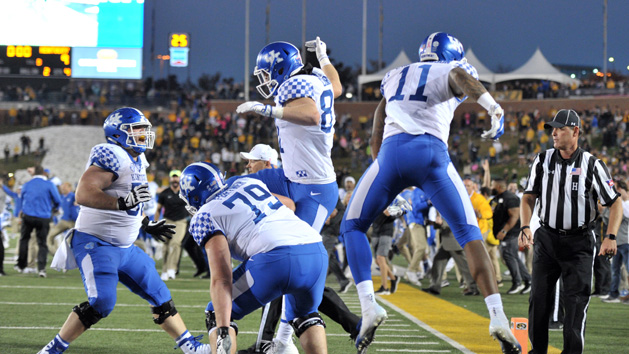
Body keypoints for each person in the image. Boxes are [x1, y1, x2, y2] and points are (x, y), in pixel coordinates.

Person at [339, 32, 521, 353]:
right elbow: (457, 75)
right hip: (431, 154)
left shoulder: (395, 75)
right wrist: (494, 108)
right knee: (469, 234)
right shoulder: (450, 69)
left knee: (351, 226)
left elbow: (377, 128)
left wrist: (382, 172)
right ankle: (497, 317)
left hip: (391, 155)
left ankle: (369, 308)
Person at [38, 107, 210, 354]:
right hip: (97, 243)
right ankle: (52, 349)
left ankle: (189, 346)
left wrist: (145, 222)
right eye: (136, 129)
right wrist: (122, 203)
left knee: (160, 294)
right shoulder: (112, 154)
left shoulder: (137, 159)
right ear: (118, 134)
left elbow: (130, 199)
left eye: (143, 129)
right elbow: (84, 194)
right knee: (103, 303)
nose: (143, 133)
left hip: (126, 248)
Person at [236, 38, 362, 353]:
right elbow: (335, 86)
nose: (264, 82)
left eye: (266, 74)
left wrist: (267, 109)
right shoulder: (315, 79)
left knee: (289, 260)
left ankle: (279, 341)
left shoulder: (294, 86)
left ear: (281, 68)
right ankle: (277, 340)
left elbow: (311, 115)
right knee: (242, 186)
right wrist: (323, 56)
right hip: (297, 179)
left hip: (313, 188)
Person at [179, 161, 329, 354]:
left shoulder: (205, 216)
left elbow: (221, 278)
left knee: (216, 313)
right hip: (315, 250)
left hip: (276, 259)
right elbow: (288, 205)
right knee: (305, 315)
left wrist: (223, 328)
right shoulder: (248, 183)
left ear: (196, 195)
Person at [519, 109, 622, 354]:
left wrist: (610, 236)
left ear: (575, 131)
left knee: (575, 304)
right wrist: (525, 226)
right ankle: (537, 351)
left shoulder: (593, 164)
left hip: (580, 243)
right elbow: (528, 197)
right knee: (539, 300)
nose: (553, 133)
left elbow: (615, 202)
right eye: (552, 128)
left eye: (560, 128)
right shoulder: (542, 160)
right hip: (547, 238)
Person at [16, 165, 61, 278]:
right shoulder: (49, 184)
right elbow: (57, 200)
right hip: (43, 216)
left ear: (34, 173)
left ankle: (21, 265)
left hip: (28, 216)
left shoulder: (27, 184)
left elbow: (22, 199)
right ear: (44, 173)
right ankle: (41, 269)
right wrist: (54, 208)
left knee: (24, 240)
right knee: (42, 243)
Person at [490, 177, 531, 295]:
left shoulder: (511, 198)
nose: (491, 188)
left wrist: (504, 231)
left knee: (509, 256)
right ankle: (528, 281)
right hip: (505, 233)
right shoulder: (498, 198)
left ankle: (517, 282)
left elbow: (515, 216)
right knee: (512, 256)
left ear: (498, 186)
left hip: (511, 233)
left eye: (493, 185)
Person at [422, 211, 478, 296]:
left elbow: (457, 221)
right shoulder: (445, 206)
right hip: (446, 241)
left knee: (464, 266)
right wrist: (433, 223)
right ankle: (435, 287)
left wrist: (442, 223)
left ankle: (473, 288)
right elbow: (441, 225)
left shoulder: (454, 205)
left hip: (455, 241)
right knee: (438, 262)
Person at [155, 169, 189, 281]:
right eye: (173, 177)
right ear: (170, 179)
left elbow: (192, 207)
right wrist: (155, 224)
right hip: (167, 221)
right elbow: (158, 209)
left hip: (180, 222)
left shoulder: (185, 193)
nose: (175, 179)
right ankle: (165, 270)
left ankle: (171, 268)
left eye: (177, 177)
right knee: (165, 246)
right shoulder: (164, 193)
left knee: (175, 243)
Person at [601, 179, 629, 303]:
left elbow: (620, 216)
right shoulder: (621, 203)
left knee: (627, 269)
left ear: (622, 189)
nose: (615, 191)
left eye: (617, 189)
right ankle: (613, 294)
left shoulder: (625, 204)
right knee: (615, 270)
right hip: (617, 241)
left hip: (627, 240)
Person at [46, 182, 79, 255]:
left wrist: (78, 203)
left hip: (73, 222)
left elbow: (81, 200)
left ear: (69, 188)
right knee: (50, 236)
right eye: (62, 187)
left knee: (70, 241)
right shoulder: (61, 197)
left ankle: (69, 256)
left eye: (65, 186)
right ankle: (56, 254)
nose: (63, 188)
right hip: (64, 220)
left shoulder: (73, 196)